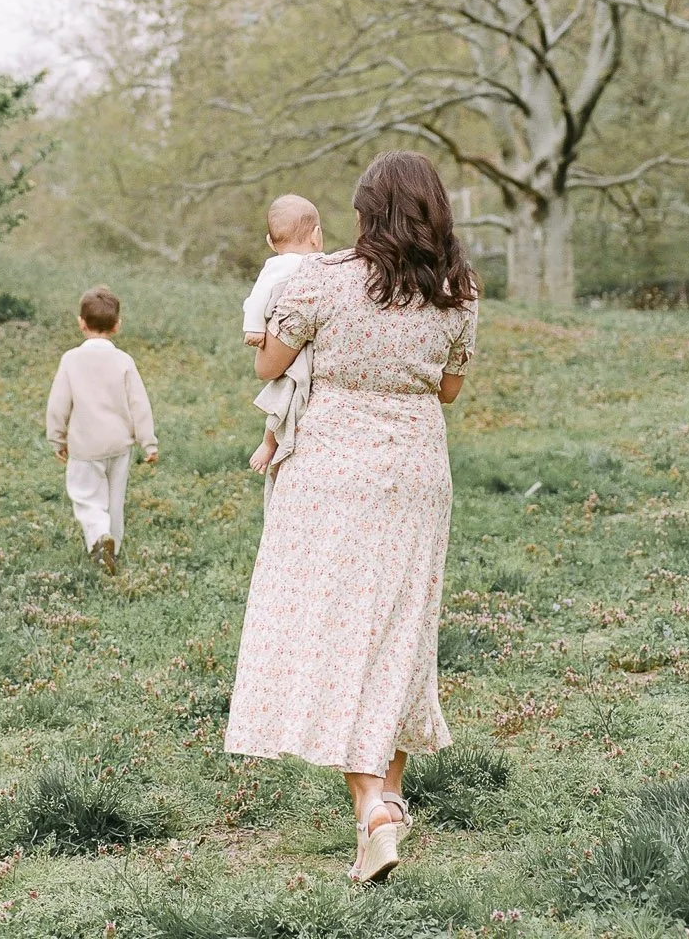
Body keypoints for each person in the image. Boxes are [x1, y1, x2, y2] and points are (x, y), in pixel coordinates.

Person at [224, 152, 478, 887]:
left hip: (330, 470)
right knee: (397, 629)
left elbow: (268, 365)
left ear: (368, 212)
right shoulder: (456, 290)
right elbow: (452, 387)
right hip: (414, 471)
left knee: (336, 631)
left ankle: (372, 807)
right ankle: (387, 798)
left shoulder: (323, 280)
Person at [45, 285, 158, 575]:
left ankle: (98, 537)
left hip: (85, 445)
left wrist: (57, 437)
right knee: (114, 499)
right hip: (119, 444)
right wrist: (148, 442)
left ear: (80, 322)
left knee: (86, 496)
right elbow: (139, 404)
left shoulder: (71, 359)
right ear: (117, 325)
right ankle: (114, 549)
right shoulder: (124, 361)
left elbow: (59, 403)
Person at [242, 195, 324, 498]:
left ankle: (271, 441)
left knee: (287, 390)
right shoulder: (289, 265)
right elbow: (258, 297)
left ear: (269, 240)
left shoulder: (288, 263)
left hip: (294, 337)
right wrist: (253, 328)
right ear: (316, 235)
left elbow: (255, 297)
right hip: (289, 339)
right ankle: (269, 442)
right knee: (287, 389)